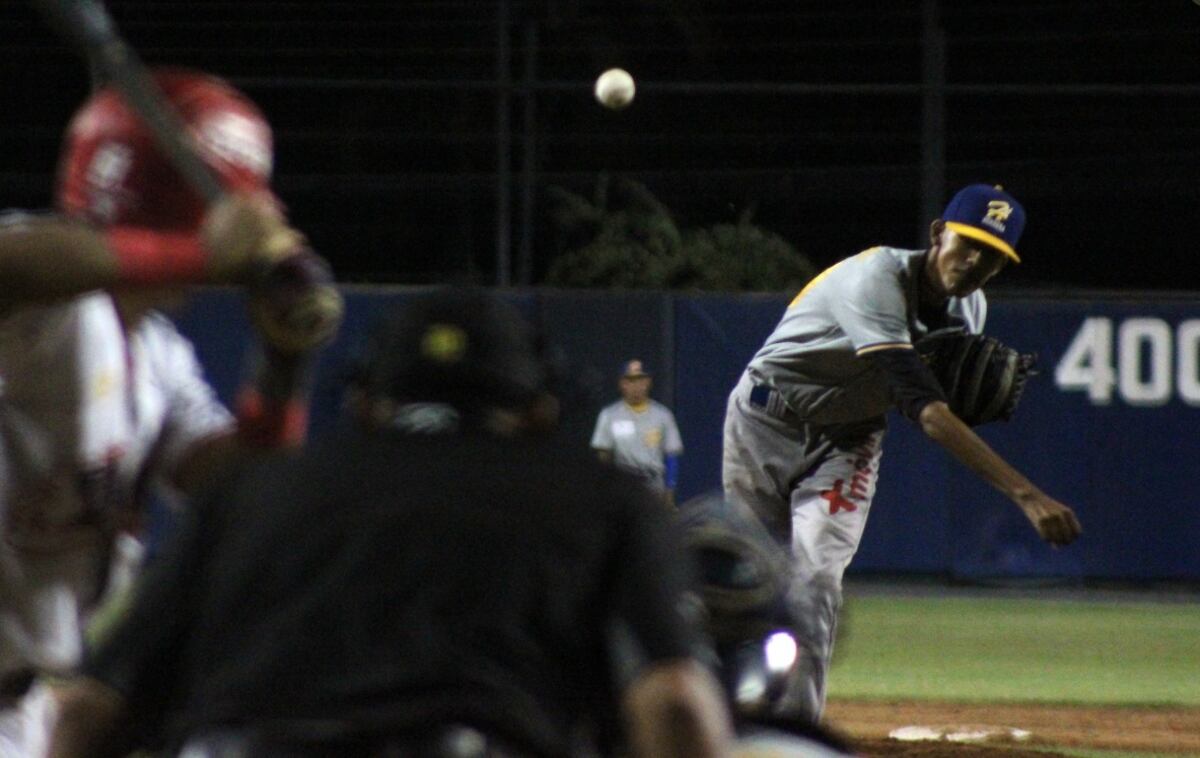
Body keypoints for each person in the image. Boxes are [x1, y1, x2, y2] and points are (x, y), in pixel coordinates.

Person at [48, 288, 733, 758]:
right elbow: (674, 704)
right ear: (539, 410)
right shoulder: (606, 497)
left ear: (368, 404)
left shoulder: (246, 492)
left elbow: (87, 710)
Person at [0, 68, 342, 756]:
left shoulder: (155, 354)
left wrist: (282, 365)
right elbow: (17, 262)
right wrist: (198, 250)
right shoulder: (45, 310)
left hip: (28, 707)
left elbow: (248, 502)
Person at [721, 184, 1083, 724]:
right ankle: (727, 714)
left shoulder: (970, 308)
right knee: (748, 588)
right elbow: (932, 414)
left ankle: (795, 730)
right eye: (970, 242)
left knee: (816, 582)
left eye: (994, 256)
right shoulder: (875, 278)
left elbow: (926, 400)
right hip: (763, 421)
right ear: (939, 233)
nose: (976, 261)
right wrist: (1026, 495)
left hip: (849, 440)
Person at [590, 359, 684, 507]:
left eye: (640, 379)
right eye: (630, 380)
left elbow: (671, 456)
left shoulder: (663, 415)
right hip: (622, 487)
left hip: (653, 486)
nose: (636, 385)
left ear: (648, 382)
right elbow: (603, 457)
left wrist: (669, 495)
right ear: (622, 384)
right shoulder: (609, 415)